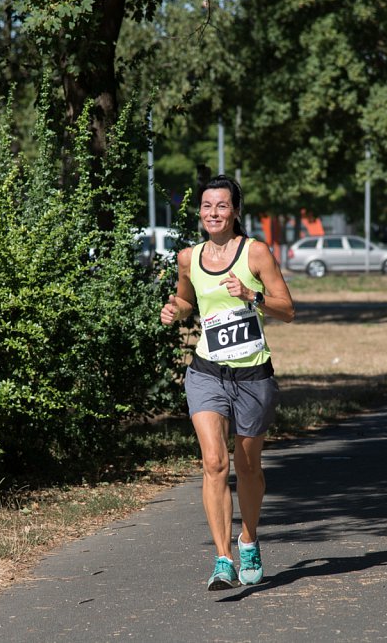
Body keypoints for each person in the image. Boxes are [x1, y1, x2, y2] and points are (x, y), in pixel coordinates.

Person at [160, 175, 295, 591]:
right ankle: (222, 559)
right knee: (215, 462)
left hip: (253, 373)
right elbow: (187, 299)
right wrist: (175, 310)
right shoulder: (188, 257)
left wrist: (250, 296)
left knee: (248, 465)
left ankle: (249, 539)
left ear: (235, 210)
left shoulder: (255, 253)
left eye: (221, 206)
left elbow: (287, 309)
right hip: (206, 372)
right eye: (206, 206)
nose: (213, 213)